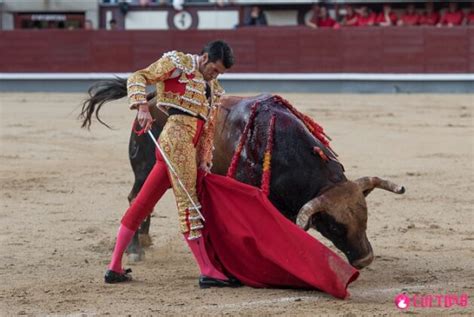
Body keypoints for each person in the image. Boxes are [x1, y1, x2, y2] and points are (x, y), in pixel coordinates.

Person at [104, 40, 241, 288]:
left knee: (141, 204)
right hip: (176, 141)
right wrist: (142, 107)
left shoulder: (214, 87)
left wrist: (204, 159)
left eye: (220, 72)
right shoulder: (179, 63)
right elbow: (138, 76)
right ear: (206, 57)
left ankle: (114, 267)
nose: (215, 74)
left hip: (188, 147)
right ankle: (208, 270)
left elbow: (208, 129)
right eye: (215, 69)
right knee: (190, 205)